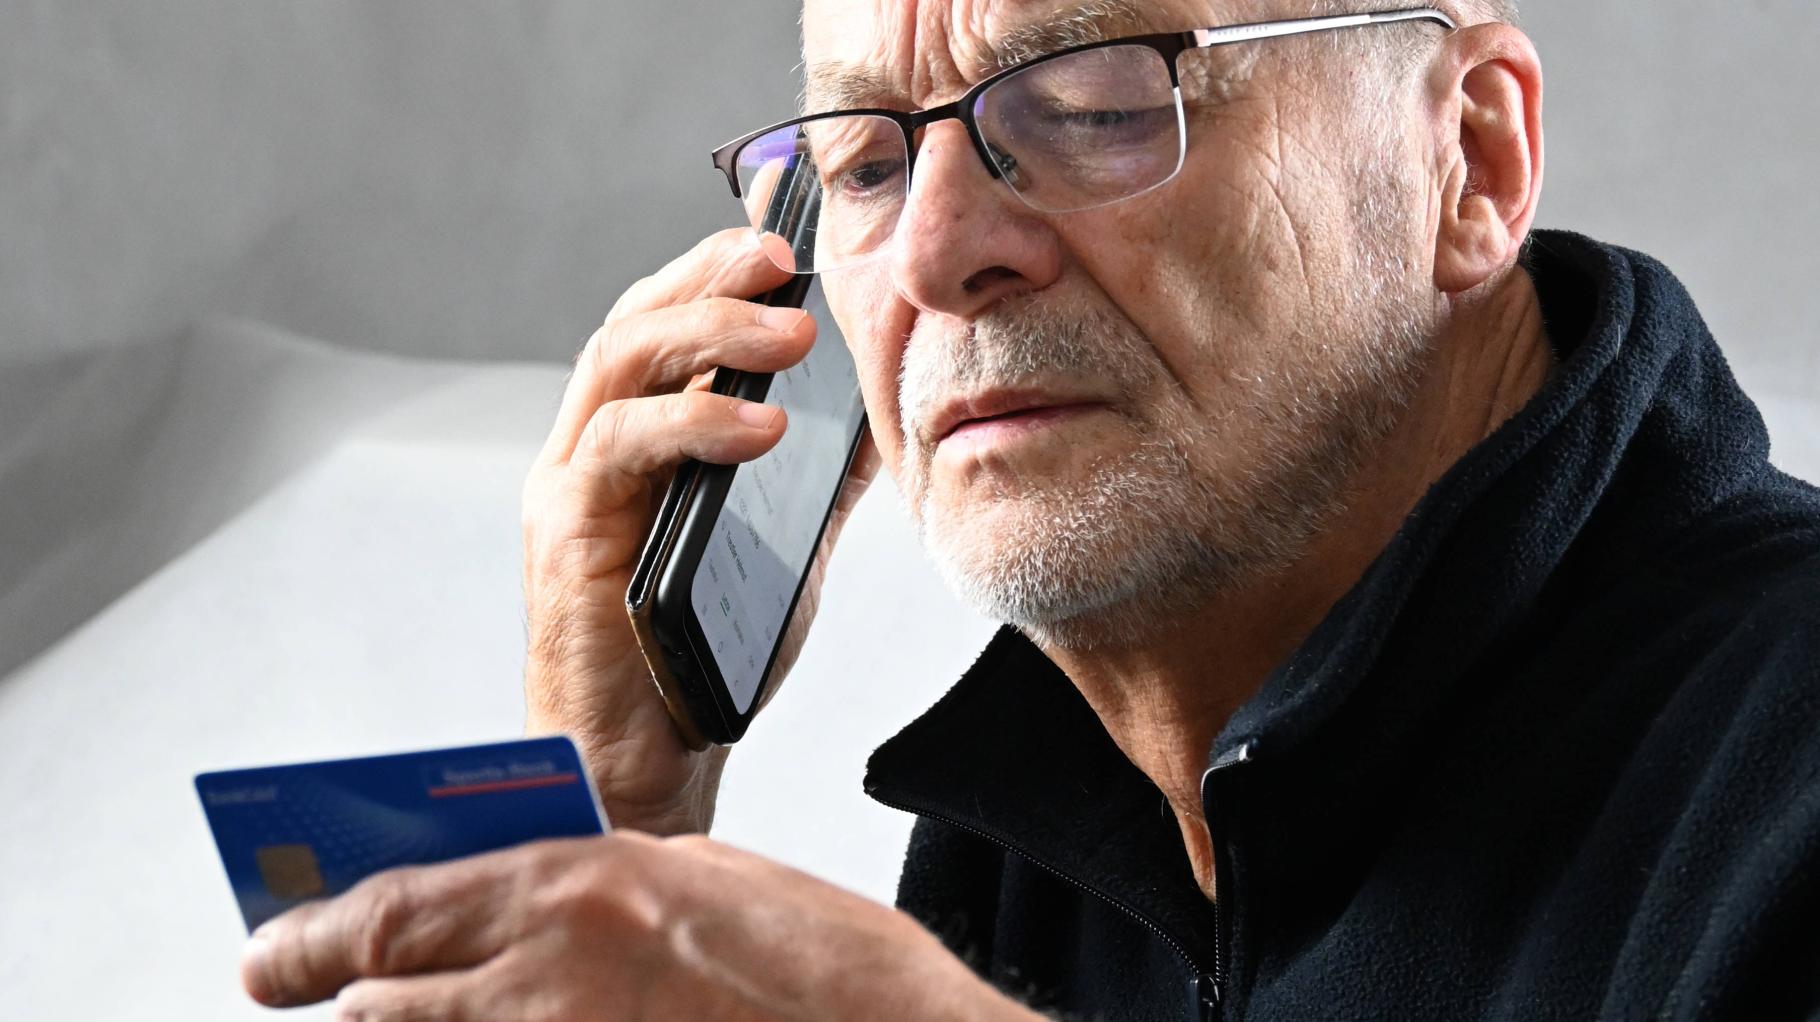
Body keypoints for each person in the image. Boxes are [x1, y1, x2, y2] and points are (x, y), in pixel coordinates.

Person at [237, 1, 1820, 1018]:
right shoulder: (1050, 811)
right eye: (865, 163)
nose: (935, 255)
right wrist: (597, 821)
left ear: (1466, 159)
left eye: (1099, 102)